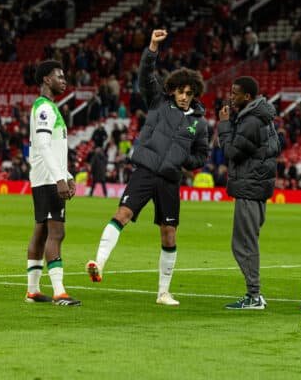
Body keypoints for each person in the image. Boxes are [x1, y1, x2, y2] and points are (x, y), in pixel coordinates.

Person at [86, 29, 209, 306]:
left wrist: (183, 161)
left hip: (169, 178)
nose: (185, 97)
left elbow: (202, 155)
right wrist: (152, 47)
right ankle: (99, 263)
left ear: (195, 94)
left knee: (169, 233)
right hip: (145, 170)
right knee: (123, 213)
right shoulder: (158, 102)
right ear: (172, 90)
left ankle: (163, 292)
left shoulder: (200, 123)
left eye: (190, 93)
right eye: (181, 91)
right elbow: (145, 75)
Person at [217, 76, 281, 309]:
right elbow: (275, 147)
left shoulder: (251, 121)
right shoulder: (263, 117)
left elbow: (232, 152)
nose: (231, 97)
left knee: (244, 244)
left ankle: (254, 296)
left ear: (248, 97)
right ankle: (254, 295)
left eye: (235, 93)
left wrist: (224, 125)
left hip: (249, 187)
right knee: (247, 242)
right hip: (258, 187)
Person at [26, 60, 80, 306]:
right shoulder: (45, 109)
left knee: (42, 231)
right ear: (47, 79)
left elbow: (54, 149)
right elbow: (44, 146)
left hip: (47, 176)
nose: (64, 80)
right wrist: (59, 178)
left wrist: (67, 175)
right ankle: (59, 292)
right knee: (57, 232)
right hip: (48, 178)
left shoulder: (48, 107)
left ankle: (33, 290)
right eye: (59, 76)